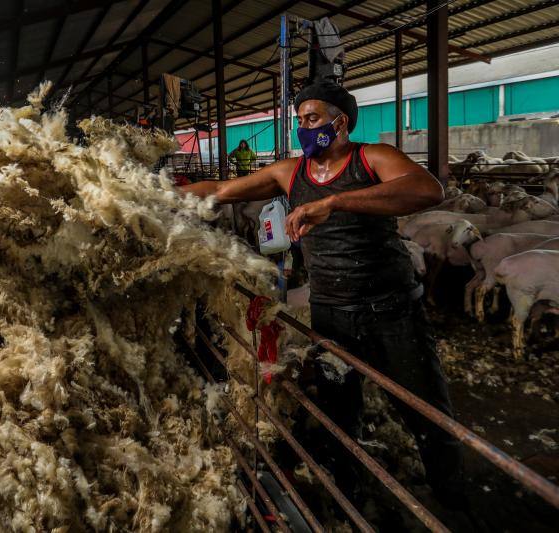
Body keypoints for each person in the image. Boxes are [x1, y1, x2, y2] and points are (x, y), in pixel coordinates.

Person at [180, 81, 464, 505]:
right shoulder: (290, 171)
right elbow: (221, 191)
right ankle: (347, 491)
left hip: (391, 310)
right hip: (331, 311)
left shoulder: (371, 158)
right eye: (300, 120)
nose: (303, 127)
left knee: (423, 407)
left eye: (312, 119)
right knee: (339, 410)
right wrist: (158, 194)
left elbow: (427, 189)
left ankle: (451, 499)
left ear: (340, 122)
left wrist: (336, 203)